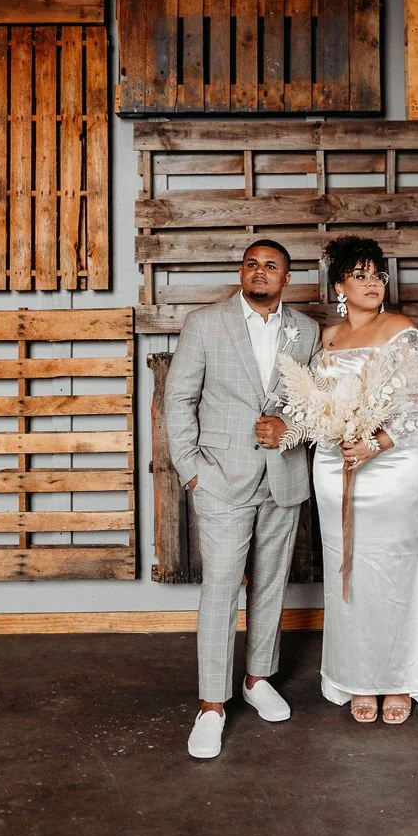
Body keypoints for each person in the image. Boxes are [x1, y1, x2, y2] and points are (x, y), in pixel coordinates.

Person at [165, 240, 320, 759]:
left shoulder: (307, 331)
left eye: (271, 265)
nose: (260, 271)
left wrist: (289, 429)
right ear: (241, 272)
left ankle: (257, 679)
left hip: (284, 479)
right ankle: (212, 705)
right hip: (220, 480)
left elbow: (313, 405)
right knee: (221, 590)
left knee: (270, 585)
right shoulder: (206, 323)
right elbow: (179, 398)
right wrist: (192, 473)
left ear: (286, 277)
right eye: (252, 264)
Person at [312, 235, 418, 725]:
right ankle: (357, 676)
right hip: (334, 463)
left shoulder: (401, 330)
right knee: (345, 568)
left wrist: (377, 442)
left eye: (378, 275)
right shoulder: (326, 339)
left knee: (392, 568)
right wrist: (327, 431)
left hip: (392, 463)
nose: (373, 284)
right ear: (340, 285)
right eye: (361, 275)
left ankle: (401, 679)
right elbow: (315, 400)